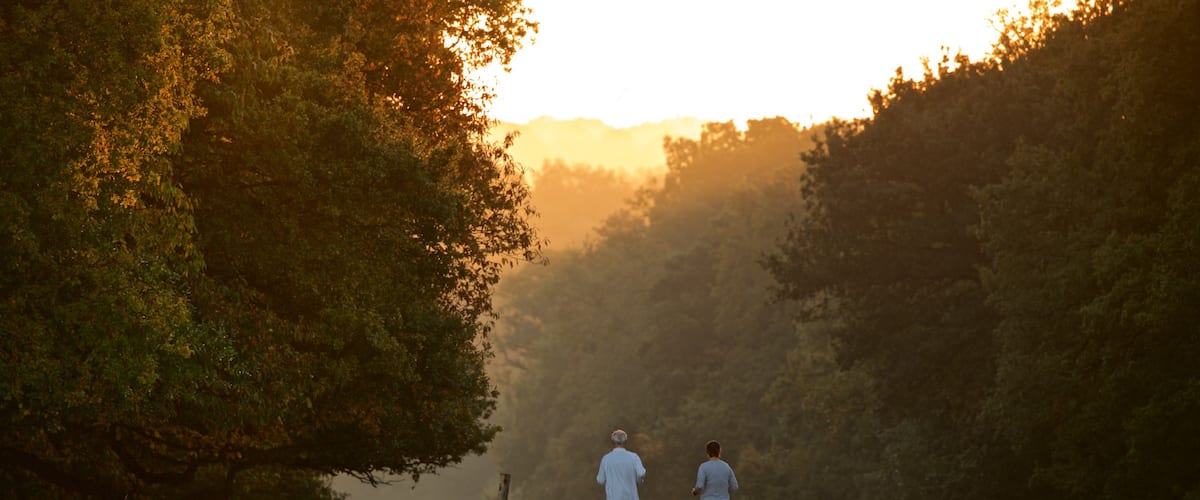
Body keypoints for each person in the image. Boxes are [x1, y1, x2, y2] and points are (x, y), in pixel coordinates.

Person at [596, 429, 646, 500]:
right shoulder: (634, 457)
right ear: (626, 441)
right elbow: (641, 473)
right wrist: (639, 481)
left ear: (612, 442)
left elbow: (600, 480)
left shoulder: (606, 459)